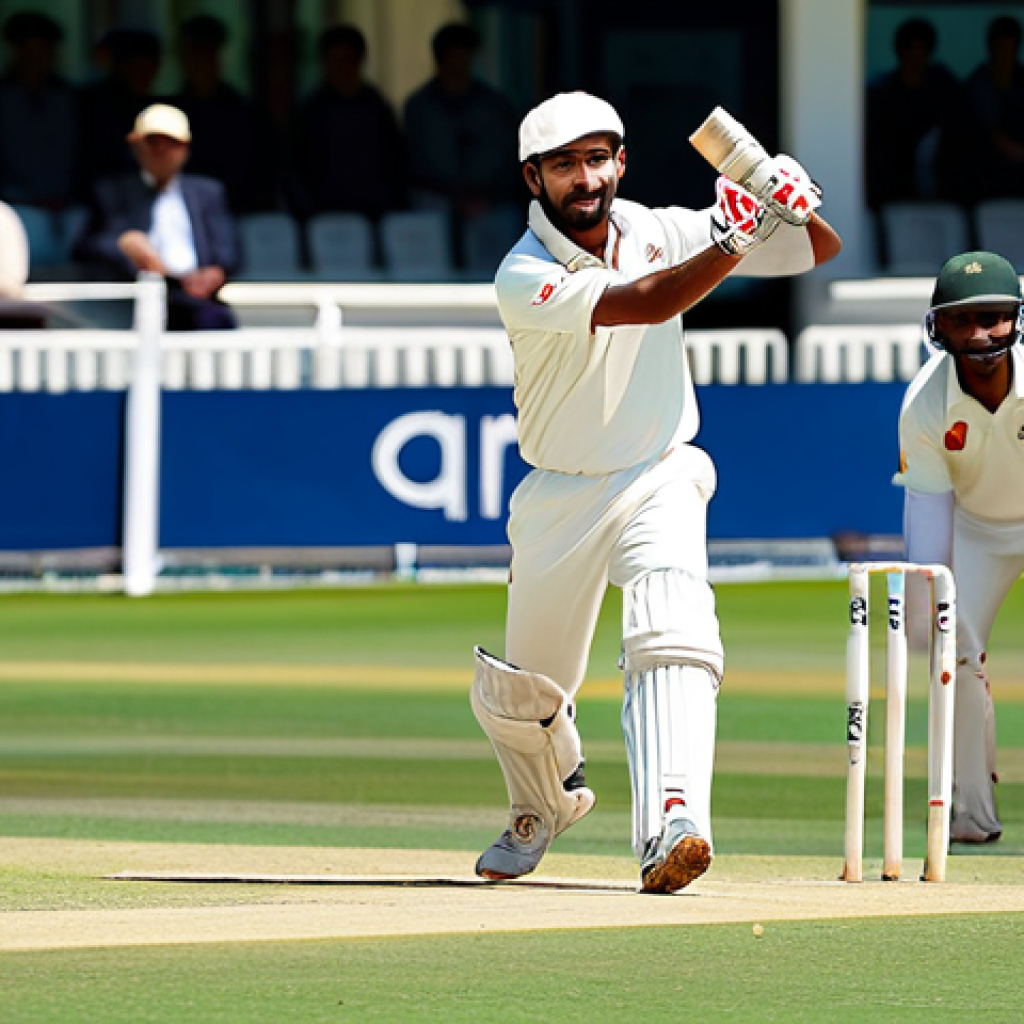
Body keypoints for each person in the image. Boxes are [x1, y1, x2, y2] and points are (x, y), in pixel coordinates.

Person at [470, 92, 841, 893]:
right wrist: (741, 230)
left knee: (670, 622)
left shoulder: (658, 226)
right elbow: (648, 303)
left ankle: (674, 822)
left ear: (621, 162)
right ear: (533, 178)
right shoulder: (522, 271)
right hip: (561, 493)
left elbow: (817, 249)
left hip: (660, 468)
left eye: (599, 158)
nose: (586, 178)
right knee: (520, 694)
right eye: (565, 165)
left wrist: (790, 201)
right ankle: (539, 809)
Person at [894, 250, 1024, 844]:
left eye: (994, 316)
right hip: (975, 527)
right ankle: (971, 811)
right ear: (937, 327)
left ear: (1016, 319)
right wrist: (927, 610)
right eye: (961, 320)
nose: (980, 334)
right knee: (952, 650)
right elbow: (928, 515)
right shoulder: (923, 407)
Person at [75, 103, 239, 331]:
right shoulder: (113, 191)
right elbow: (88, 245)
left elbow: (228, 250)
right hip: (136, 299)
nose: (162, 150)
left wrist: (214, 273)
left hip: (197, 299)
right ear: (135, 144)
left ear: (186, 148)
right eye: (153, 142)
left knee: (216, 323)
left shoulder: (207, 192)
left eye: (172, 143)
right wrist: (127, 245)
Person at [403, 23, 518, 262]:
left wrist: (489, 196)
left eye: (462, 55)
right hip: (434, 198)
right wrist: (452, 196)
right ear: (438, 59)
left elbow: (510, 157)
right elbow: (409, 160)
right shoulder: (420, 106)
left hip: (489, 202)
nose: (456, 62)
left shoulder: (494, 106)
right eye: (450, 55)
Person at [294, 24, 404, 220]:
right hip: (325, 217)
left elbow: (395, 162)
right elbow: (297, 168)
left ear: (359, 61)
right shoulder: (311, 111)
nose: (340, 69)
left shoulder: (377, 108)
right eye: (332, 62)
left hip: (374, 213)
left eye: (346, 61)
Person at [170, 14, 275, 214]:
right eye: (194, 54)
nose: (201, 62)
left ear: (218, 56)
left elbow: (259, 174)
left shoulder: (245, 114)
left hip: (236, 214)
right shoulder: (170, 115)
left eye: (206, 54)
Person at [865, 18, 967, 210]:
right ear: (900, 52)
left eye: (921, 50)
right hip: (894, 198)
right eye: (910, 50)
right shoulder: (884, 97)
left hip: (940, 199)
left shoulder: (945, 92)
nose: (915, 58)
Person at [0, 11, 81, 209]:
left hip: (66, 208)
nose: (36, 57)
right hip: (13, 208)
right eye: (29, 50)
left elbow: (80, 157)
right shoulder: (5, 96)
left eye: (43, 48)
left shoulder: (71, 99)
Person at [79, 29, 162, 183]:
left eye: (146, 64)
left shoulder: (160, 110)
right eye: (133, 65)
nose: (140, 72)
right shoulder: (94, 105)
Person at [966, 16, 1024, 199]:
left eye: (1009, 48)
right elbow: (990, 132)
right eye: (999, 48)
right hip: (987, 179)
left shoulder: (1021, 80)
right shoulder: (979, 84)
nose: (1003, 54)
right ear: (990, 47)